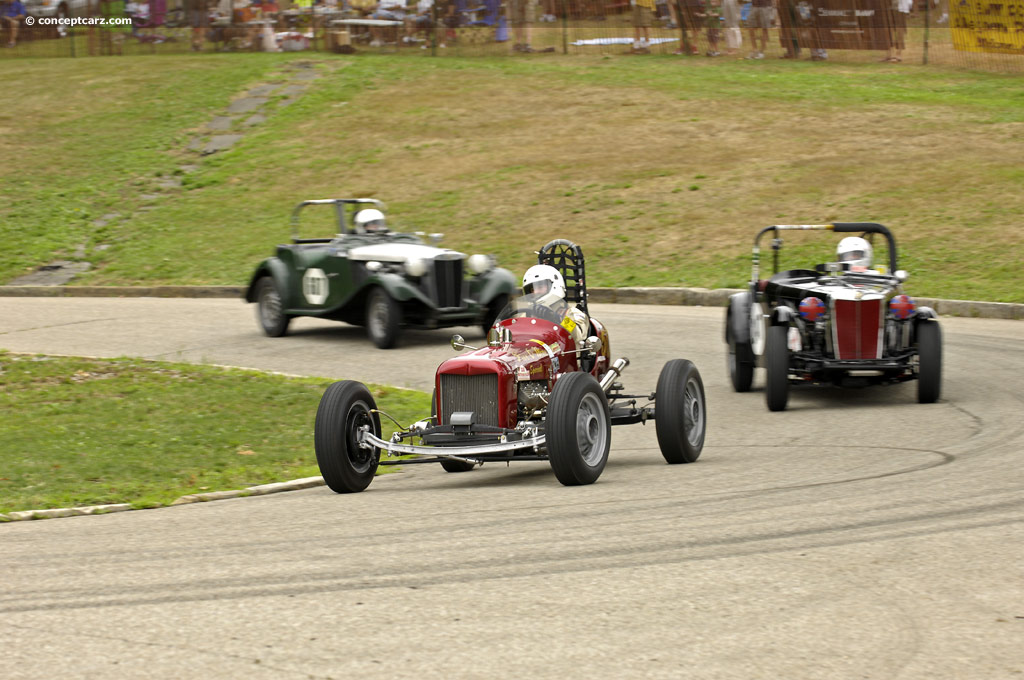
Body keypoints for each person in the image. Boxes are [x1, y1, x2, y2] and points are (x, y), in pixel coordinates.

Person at [521, 264, 588, 348]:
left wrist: (555, 318)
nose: (535, 292)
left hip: (566, 358)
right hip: (535, 357)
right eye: (532, 290)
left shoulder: (572, 313)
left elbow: (578, 336)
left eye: (540, 287)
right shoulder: (527, 315)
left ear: (555, 285)